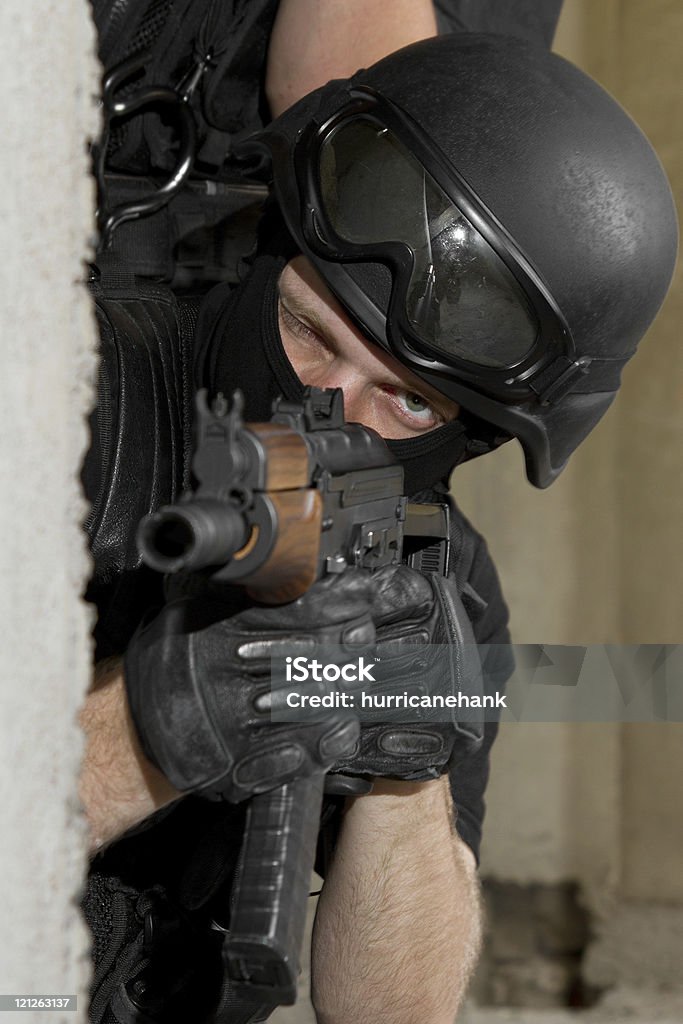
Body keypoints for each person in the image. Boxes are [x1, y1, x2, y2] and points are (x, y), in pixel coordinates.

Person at [80, 25, 677, 1024]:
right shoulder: (64, 407)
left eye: (407, 404)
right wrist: (141, 733)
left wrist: (404, 773)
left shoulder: (433, 579)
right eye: (310, 334)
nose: (333, 410)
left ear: (472, 437)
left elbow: (392, 1010)